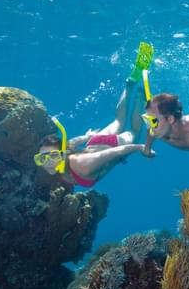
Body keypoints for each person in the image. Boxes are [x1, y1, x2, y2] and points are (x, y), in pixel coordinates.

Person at [34, 43, 156, 187]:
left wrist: (141, 148)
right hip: (94, 142)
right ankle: (129, 86)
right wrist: (87, 137)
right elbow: (71, 143)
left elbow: (115, 152)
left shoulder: (83, 166)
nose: (47, 162)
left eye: (53, 155)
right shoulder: (62, 159)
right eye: (42, 158)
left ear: (64, 154)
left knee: (134, 131)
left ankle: (140, 99)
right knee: (119, 120)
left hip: (111, 146)